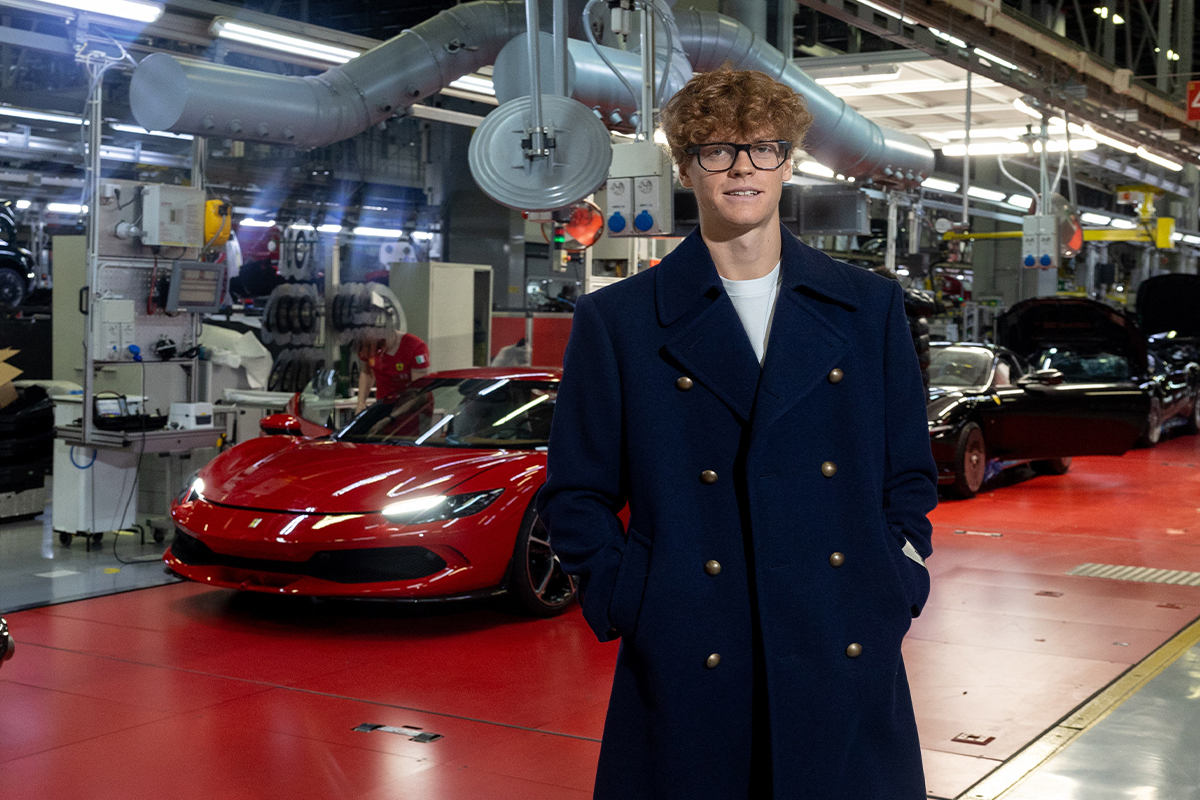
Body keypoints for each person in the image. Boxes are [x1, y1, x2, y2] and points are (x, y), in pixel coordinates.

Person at [535, 67, 938, 799]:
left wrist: (896, 576)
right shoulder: (620, 321)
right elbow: (577, 493)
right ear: (687, 167)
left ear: (790, 162)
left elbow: (907, 470)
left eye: (764, 149)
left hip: (840, 629)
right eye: (718, 151)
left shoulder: (867, 307)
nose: (744, 168)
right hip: (692, 641)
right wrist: (632, 598)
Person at [354, 330, 430, 414]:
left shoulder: (415, 347)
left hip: (413, 410)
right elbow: (368, 372)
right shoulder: (369, 346)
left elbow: (419, 393)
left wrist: (392, 417)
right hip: (385, 407)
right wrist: (361, 404)